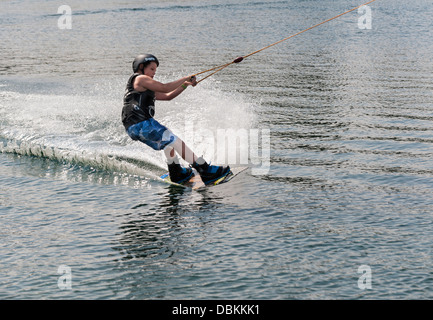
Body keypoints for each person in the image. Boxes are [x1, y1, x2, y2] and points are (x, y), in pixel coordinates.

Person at [122, 54, 230, 184]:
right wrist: (185, 78)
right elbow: (165, 87)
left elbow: (168, 95)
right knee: (175, 141)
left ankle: (176, 172)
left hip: (134, 127)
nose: (154, 73)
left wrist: (185, 85)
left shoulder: (144, 87)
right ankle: (205, 170)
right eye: (152, 69)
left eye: (155, 70)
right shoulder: (140, 79)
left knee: (168, 143)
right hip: (142, 124)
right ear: (141, 67)